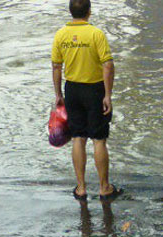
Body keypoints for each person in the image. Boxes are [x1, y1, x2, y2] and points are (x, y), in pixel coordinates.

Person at [51, 0, 122, 201]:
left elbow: (56, 67)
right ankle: (104, 187)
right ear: (89, 12)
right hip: (94, 89)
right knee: (99, 139)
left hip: (72, 88)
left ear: (71, 12)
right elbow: (107, 65)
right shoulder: (96, 34)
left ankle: (81, 188)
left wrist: (58, 94)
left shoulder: (61, 35)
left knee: (78, 138)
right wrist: (108, 95)